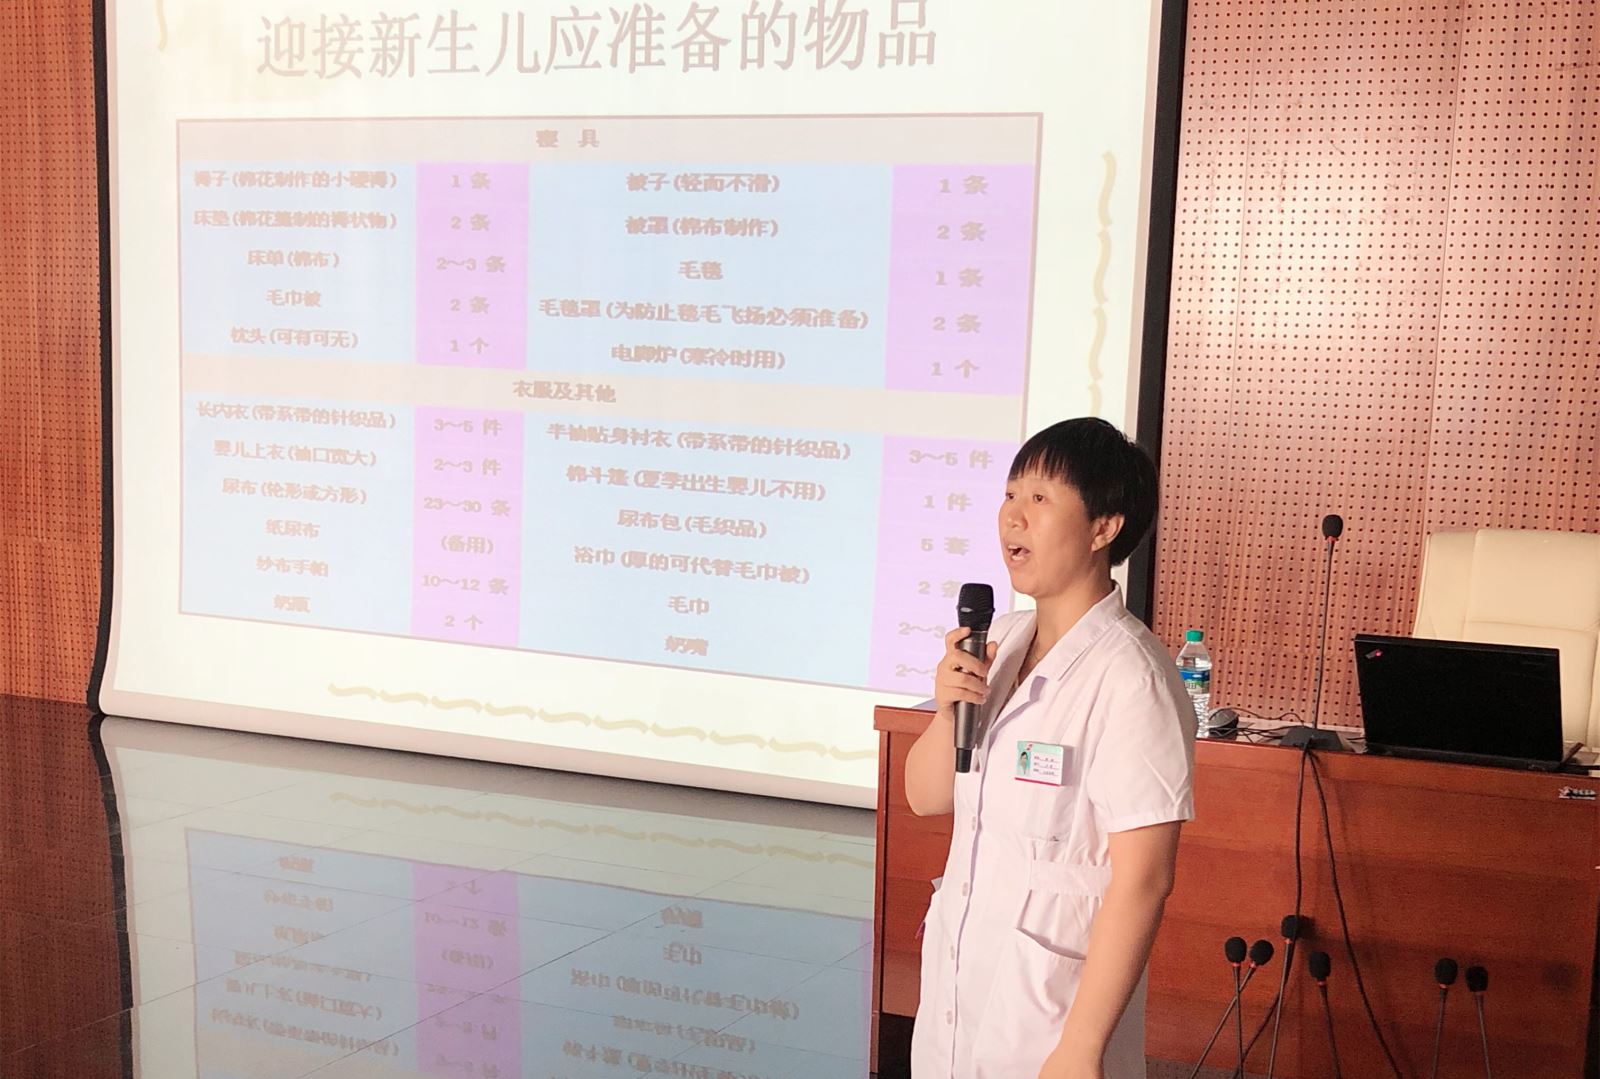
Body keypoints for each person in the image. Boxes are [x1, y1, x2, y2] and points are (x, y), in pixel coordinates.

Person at [904, 417, 1196, 1079]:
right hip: (960, 988)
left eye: (1040, 498)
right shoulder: (1000, 640)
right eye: (1011, 494)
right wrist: (947, 708)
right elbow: (924, 797)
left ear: (1103, 528)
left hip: (1053, 1017)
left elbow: (1145, 878)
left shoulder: (1133, 678)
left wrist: (1081, 1048)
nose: (1014, 516)